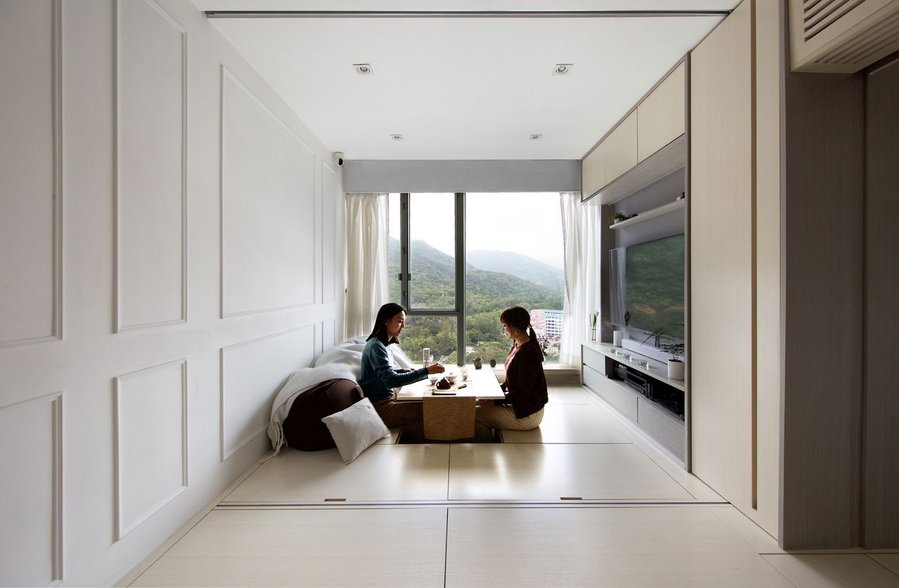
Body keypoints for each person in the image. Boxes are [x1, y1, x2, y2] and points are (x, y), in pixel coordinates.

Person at [359, 302, 444, 442]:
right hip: (381, 408)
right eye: (399, 322)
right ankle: (439, 441)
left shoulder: (384, 345)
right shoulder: (376, 347)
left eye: (403, 322)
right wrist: (427, 371)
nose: (403, 327)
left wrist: (402, 370)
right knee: (431, 406)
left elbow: (383, 373)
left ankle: (427, 440)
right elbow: (391, 380)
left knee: (429, 401)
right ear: (386, 321)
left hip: (389, 400)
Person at [476, 306, 548, 441]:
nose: (503, 329)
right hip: (522, 406)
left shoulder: (528, 354)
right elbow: (512, 381)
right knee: (478, 404)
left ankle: (484, 450)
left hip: (528, 414)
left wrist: (495, 401)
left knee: (477, 414)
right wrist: (494, 393)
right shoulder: (519, 344)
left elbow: (523, 393)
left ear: (515, 328)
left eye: (505, 325)